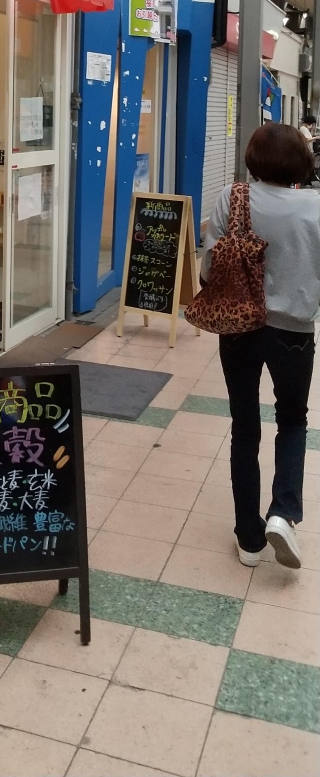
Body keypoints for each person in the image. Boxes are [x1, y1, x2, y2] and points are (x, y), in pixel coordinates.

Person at [201, 124, 319, 569]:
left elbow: (209, 270)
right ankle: (283, 514)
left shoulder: (232, 198)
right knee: (291, 420)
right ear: (302, 162)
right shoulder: (316, 207)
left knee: (245, 424)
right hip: (294, 332)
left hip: (239, 327)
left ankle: (249, 539)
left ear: (252, 159)